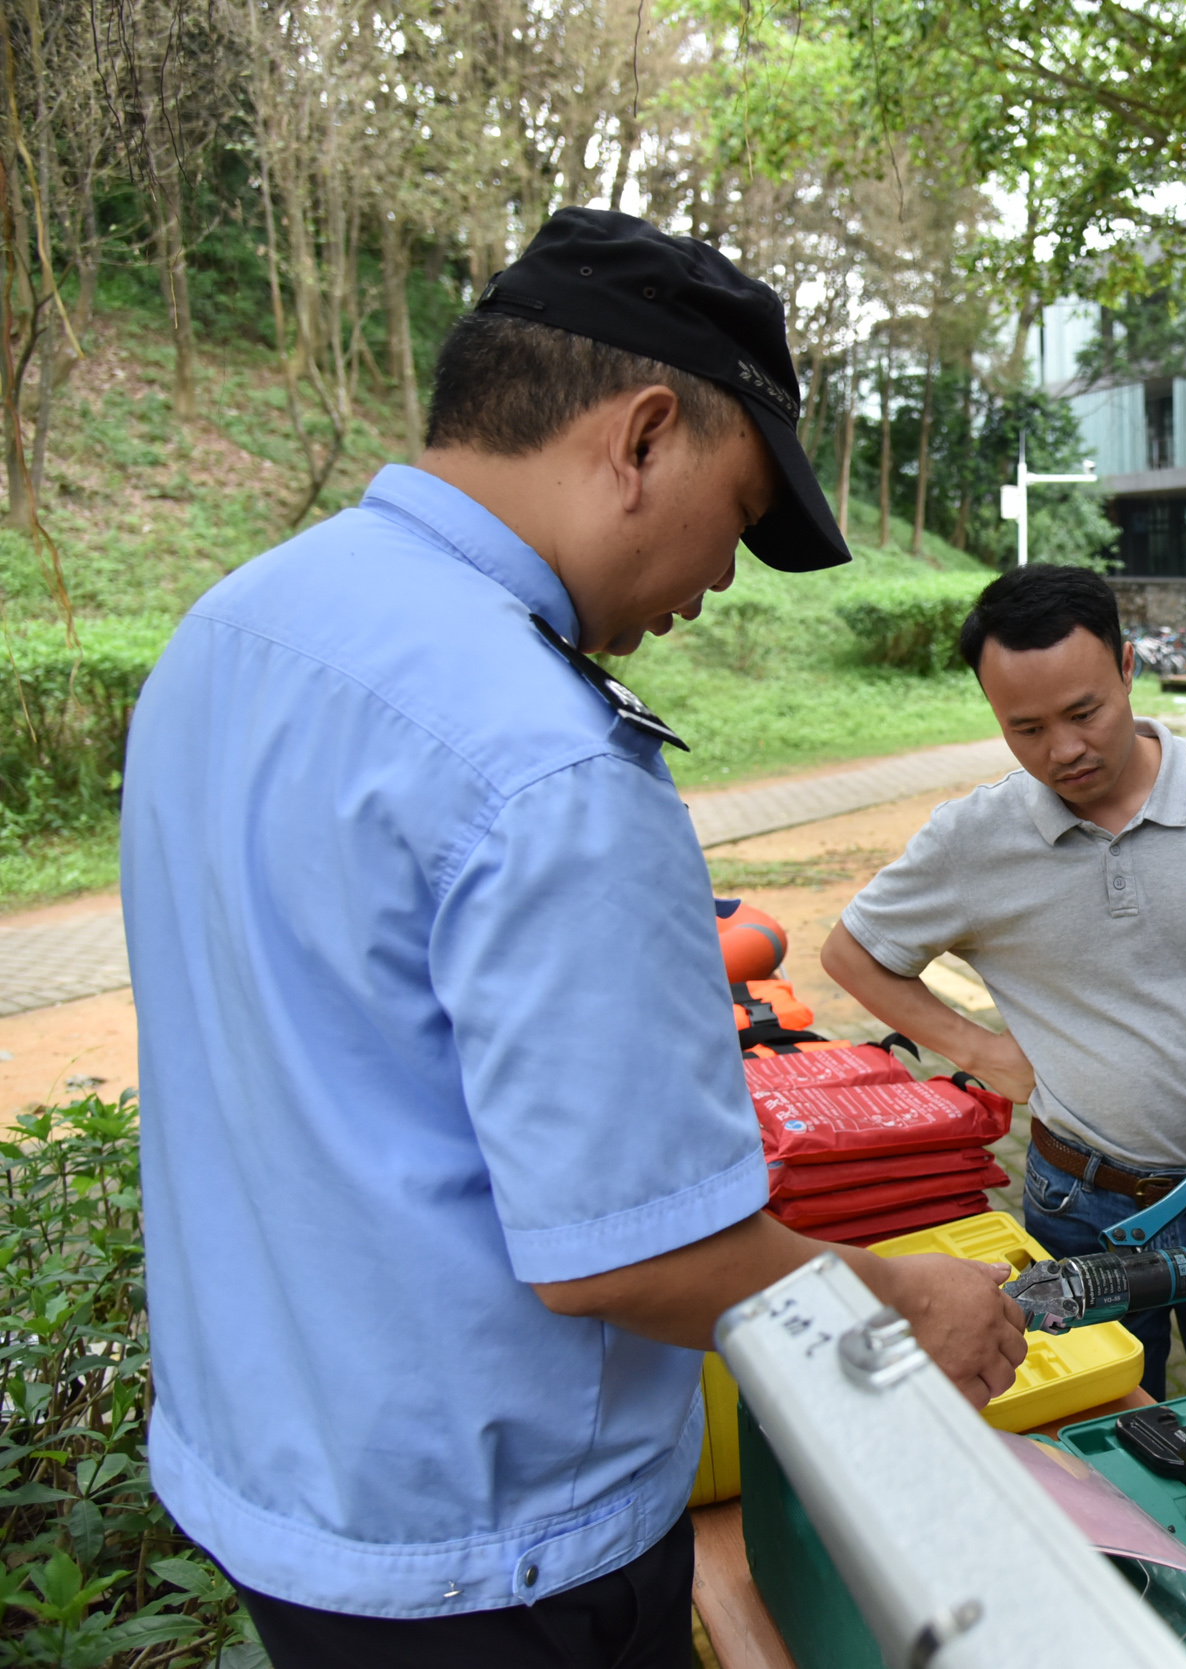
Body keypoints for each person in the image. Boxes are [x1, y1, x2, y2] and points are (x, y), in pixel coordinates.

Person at [120, 210, 1028, 1668]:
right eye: (739, 514)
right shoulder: (546, 759)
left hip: (283, 1490)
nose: (720, 579)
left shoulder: (230, 631)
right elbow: (631, 1256)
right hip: (500, 1562)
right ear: (644, 437)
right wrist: (906, 1294)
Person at [821, 565, 1186, 1428]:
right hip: (1079, 1206)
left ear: (1127, 667)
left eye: (1084, 712)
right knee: (1104, 1438)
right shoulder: (976, 840)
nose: (1063, 750)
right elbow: (851, 952)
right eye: (1027, 728)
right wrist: (981, 1051)